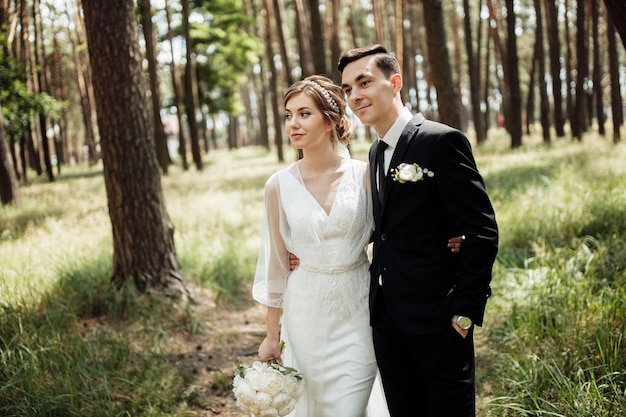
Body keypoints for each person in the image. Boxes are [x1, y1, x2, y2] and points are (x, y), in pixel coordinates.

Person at [337, 45, 498, 417]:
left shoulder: (440, 142)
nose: (355, 95)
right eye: (347, 89)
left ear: (395, 83)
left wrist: (463, 315)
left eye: (364, 82)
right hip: (388, 321)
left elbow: (482, 231)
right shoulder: (376, 153)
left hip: (439, 322)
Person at [253, 75, 385, 416]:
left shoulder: (366, 175)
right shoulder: (277, 186)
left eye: (303, 114)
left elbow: (393, 233)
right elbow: (277, 264)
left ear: (330, 120)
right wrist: (271, 335)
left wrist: (450, 242)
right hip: (305, 312)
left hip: (359, 308)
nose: (293, 123)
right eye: (288, 115)